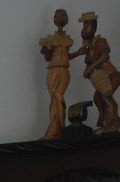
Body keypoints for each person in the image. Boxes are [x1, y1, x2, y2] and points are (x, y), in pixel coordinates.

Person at [39, 9, 78, 139]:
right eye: (59, 16)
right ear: (54, 19)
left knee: (58, 96)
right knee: (54, 100)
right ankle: (55, 129)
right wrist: (47, 49)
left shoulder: (68, 39)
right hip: (52, 70)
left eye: (65, 15)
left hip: (64, 70)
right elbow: (47, 57)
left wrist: (80, 52)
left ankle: (58, 127)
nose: (62, 18)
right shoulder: (50, 39)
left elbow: (67, 56)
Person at [78, 12, 120, 132]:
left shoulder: (100, 41)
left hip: (112, 75)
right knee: (97, 97)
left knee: (104, 95)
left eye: (87, 25)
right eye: (84, 26)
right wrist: (85, 53)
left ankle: (113, 122)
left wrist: (91, 67)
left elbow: (105, 56)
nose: (84, 29)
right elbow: (88, 68)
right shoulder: (89, 48)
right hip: (103, 77)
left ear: (94, 28)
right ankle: (107, 121)